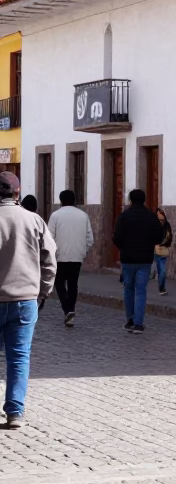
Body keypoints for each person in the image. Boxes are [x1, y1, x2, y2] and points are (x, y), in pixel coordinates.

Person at [0, 173, 56, 429]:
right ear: (17, 193)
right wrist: (42, 291)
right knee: (19, 357)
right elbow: (49, 260)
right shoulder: (34, 220)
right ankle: (15, 411)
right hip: (24, 299)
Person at [113, 189, 163, 334]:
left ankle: (130, 319)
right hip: (145, 258)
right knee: (141, 290)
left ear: (130, 200)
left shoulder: (124, 216)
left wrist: (123, 247)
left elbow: (117, 237)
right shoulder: (151, 217)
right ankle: (139, 324)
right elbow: (159, 237)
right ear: (144, 200)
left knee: (128, 288)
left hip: (127, 258)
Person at [46, 189, 93, 328]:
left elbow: (49, 238)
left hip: (60, 256)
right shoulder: (83, 216)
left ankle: (67, 309)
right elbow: (90, 238)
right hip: (77, 256)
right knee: (73, 284)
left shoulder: (55, 215)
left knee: (59, 283)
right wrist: (83, 251)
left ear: (61, 201)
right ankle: (70, 309)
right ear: (74, 200)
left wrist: (52, 254)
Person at [154, 208, 173, 297]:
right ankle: (161, 287)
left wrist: (164, 243)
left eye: (161, 214)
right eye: (158, 214)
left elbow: (169, 236)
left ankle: (161, 287)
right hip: (156, 249)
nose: (160, 215)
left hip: (163, 248)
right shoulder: (155, 224)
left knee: (162, 269)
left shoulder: (166, 224)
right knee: (161, 269)